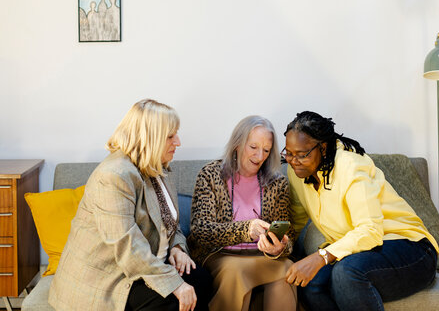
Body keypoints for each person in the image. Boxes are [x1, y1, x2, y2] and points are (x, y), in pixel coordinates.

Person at [49, 99, 212, 311]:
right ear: (150, 137)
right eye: (171, 136)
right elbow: (128, 246)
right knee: (178, 298)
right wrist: (175, 284)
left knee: (203, 280)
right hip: (110, 277)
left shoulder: (158, 167)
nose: (178, 142)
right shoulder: (114, 176)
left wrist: (178, 248)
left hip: (146, 264)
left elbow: (172, 223)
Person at [282, 111, 439, 311]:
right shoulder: (296, 173)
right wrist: (282, 243)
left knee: (346, 272)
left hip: (412, 249)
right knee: (310, 283)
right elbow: (297, 221)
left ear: (322, 148)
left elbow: (370, 231)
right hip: (359, 253)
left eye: (302, 154)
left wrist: (321, 257)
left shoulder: (351, 167)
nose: (294, 161)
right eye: (288, 153)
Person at [187, 115, 297, 311]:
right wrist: (247, 229)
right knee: (236, 272)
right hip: (219, 254)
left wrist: (279, 248)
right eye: (253, 147)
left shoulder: (277, 182)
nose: (259, 156)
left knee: (288, 268)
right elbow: (200, 230)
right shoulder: (211, 174)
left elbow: (289, 237)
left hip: (262, 255)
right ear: (237, 144)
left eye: (266, 150)